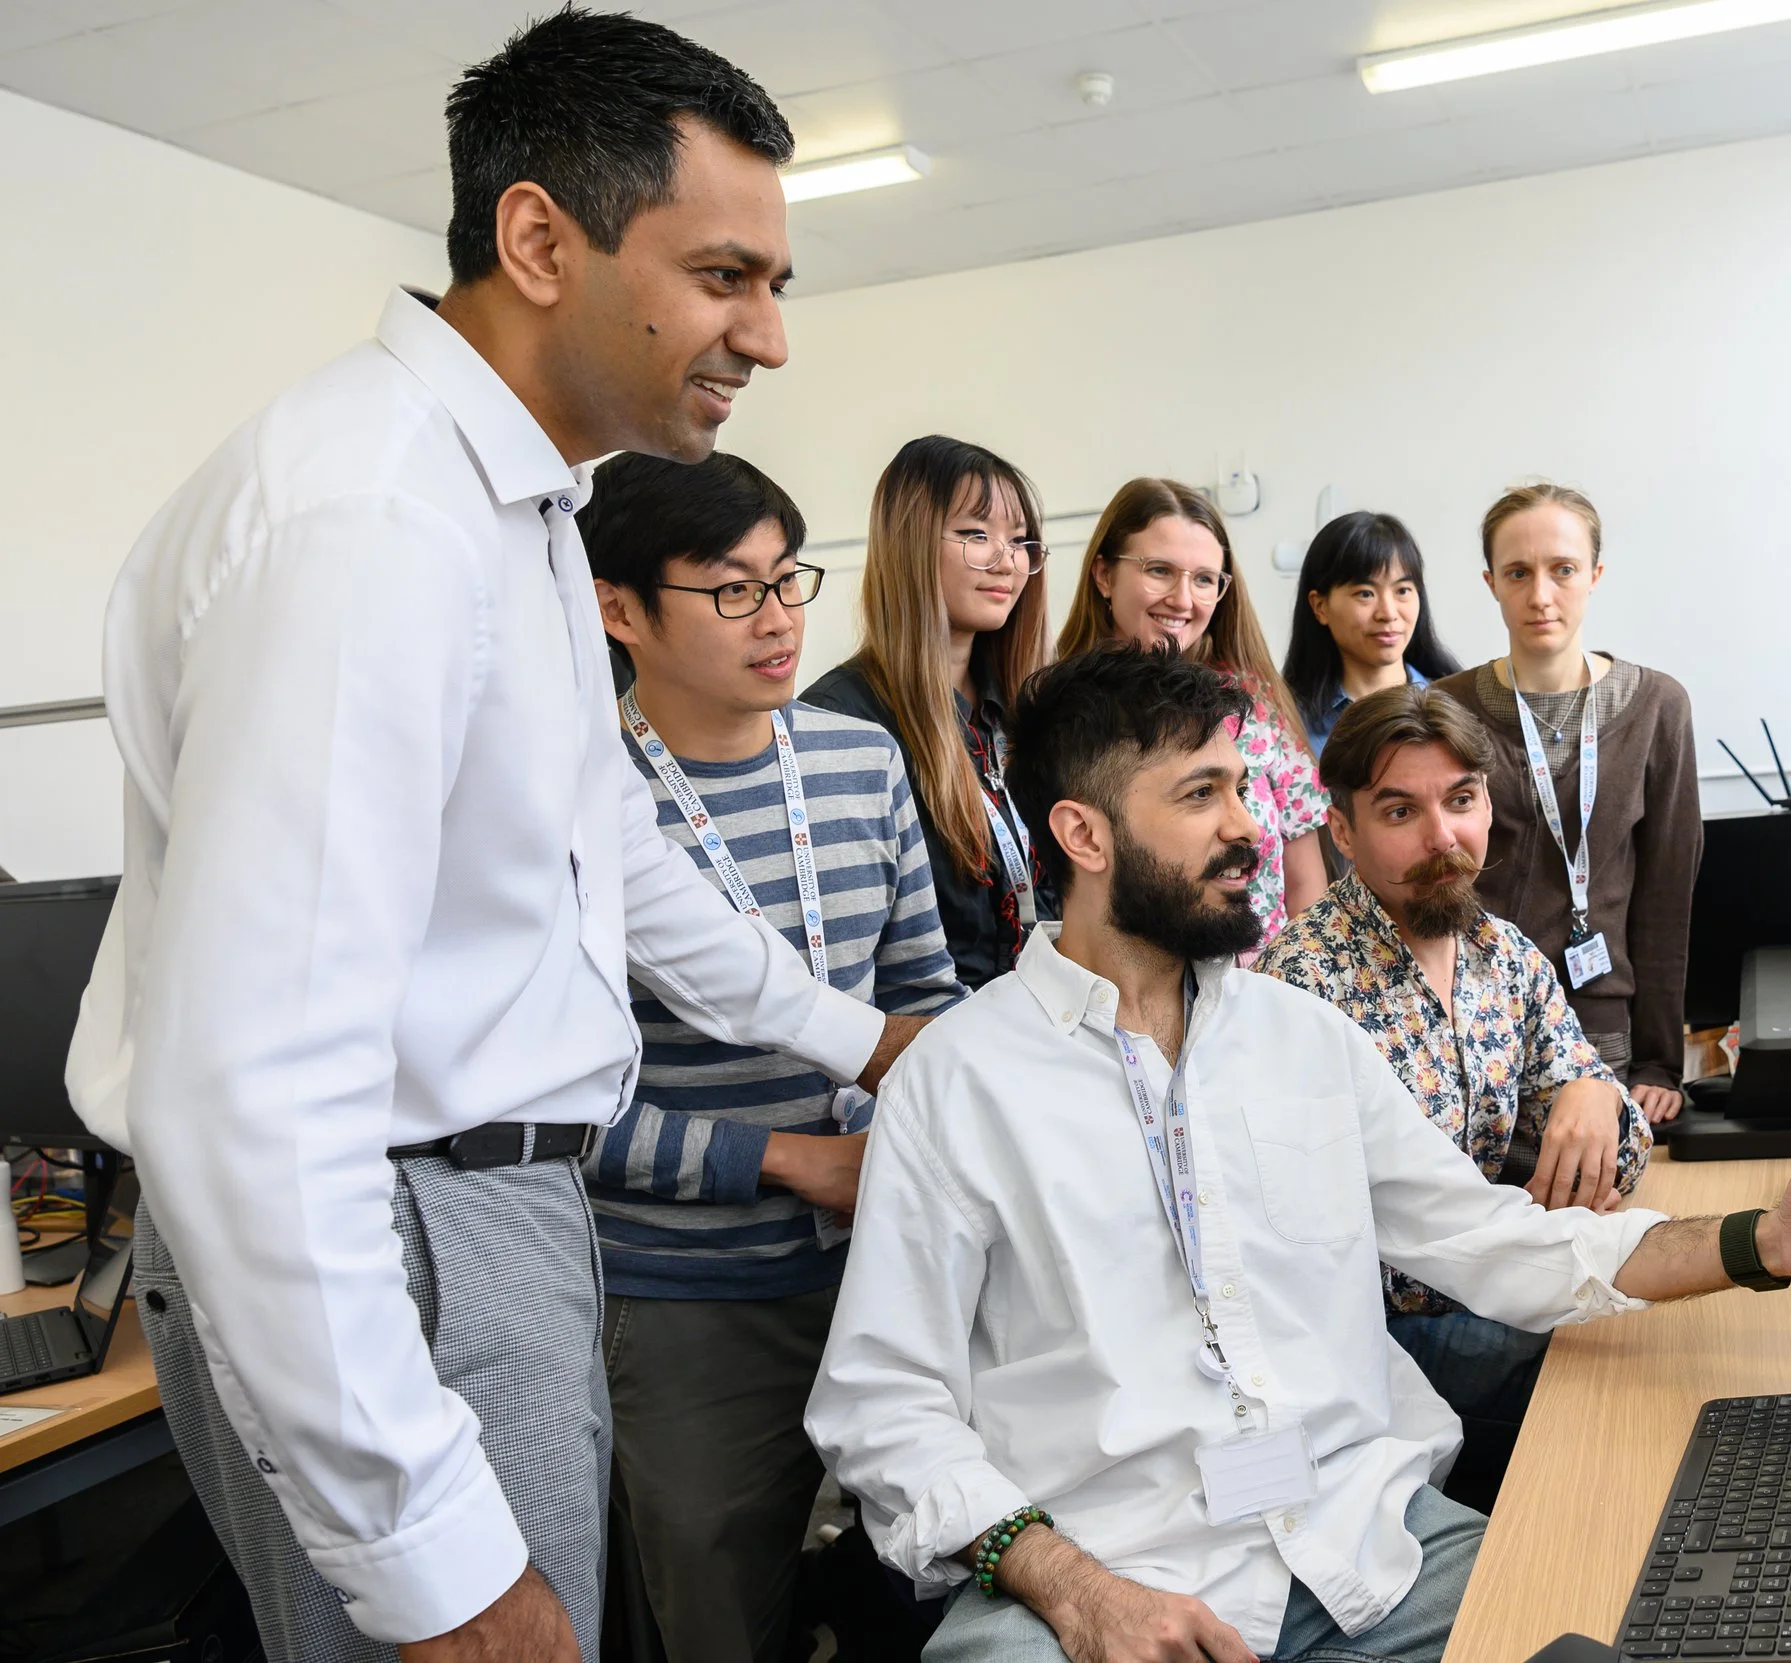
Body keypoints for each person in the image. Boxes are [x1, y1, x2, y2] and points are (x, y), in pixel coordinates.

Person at [62, 15, 917, 1659]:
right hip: (387, 1241)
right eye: (726, 275)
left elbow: (605, 849)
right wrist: (430, 1554)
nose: (767, 337)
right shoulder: (371, 518)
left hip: (493, 1220)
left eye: (776, 286)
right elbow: (251, 1093)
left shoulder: (509, 505)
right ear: (540, 239)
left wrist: (867, 1040)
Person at [807, 644, 1791, 1663]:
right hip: (1112, 1574)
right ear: (1083, 833)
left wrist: (1762, 1239)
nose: (1251, 828)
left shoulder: (1300, 1039)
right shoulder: (958, 1083)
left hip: (1370, 1541)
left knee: (1640, 1628)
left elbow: (1491, 1239)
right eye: (1201, 795)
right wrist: (1072, 1586)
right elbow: (881, 1406)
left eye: (1242, 786)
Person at [580, 448, 965, 1662]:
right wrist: (789, 1162)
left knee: (936, 1581)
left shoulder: (859, 761)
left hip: (896, 1263)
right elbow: (560, 1110)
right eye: (730, 590)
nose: (779, 619)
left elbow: (923, 1001)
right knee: (716, 1617)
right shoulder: (574, 800)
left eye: (787, 579)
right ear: (618, 607)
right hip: (690, 1295)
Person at [1256, 685, 1649, 1501]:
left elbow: (1625, 1148)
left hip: (1496, 1283)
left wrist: (1593, 1091)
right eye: (1400, 813)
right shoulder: (1302, 985)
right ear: (1342, 830)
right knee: (1613, 1372)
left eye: (1462, 800)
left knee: (1640, 1336)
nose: (1444, 838)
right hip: (1379, 1346)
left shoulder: (1501, 955)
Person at [1436, 483, 1703, 1127]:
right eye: (1518, 573)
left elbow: (1667, 899)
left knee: (1595, 1199)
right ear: (1491, 582)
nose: (1540, 596)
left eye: (1563, 570)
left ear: (1594, 575)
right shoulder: (1445, 711)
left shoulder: (1658, 708)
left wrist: (1660, 1063)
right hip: (1473, 1026)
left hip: (1600, 1030)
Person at [803, 435, 1052, 989]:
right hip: (930, 1042)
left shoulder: (1028, 705)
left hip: (1046, 1020)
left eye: (1018, 541)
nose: (1005, 560)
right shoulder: (841, 721)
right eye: (975, 534)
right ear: (909, 542)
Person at [1056, 479, 1326, 949]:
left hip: (1263, 987)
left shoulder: (1255, 703)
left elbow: (1306, 885)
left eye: (1204, 579)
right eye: (1159, 570)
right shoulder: (1062, 710)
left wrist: (1297, 990)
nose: (1183, 600)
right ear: (1103, 575)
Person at [1281, 511, 1462, 756]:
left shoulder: (1458, 703)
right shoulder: (1285, 722)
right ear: (1320, 606)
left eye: (1403, 590)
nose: (1388, 613)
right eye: (1366, 593)